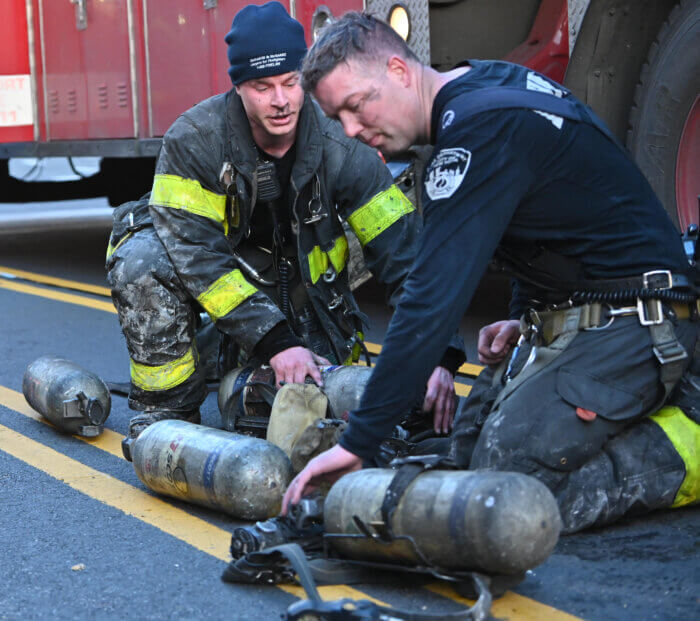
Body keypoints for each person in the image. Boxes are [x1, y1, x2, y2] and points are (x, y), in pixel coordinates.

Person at [282, 12, 700, 533]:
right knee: (464, 450)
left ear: (398, 69)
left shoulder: (476, 131)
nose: (351, 130)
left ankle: (685, 442)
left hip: (642, 322)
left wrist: (357, 443)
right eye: (336, 118)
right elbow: (551, 216)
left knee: (504, 486)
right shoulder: (482, 88)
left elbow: (430, 304)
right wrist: (527, 313)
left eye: (356, 105)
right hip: (596, 312)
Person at [106, 3, 464, 459]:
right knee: (144, 260)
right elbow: (198, 257)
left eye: (291, 83)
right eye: (262, 87)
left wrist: (440, 355)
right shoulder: (194, 140)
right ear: (238, 87)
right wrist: (275, 342)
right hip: (230, 284)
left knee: (306, 402)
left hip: (304, 294)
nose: (280, 100)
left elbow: (408, 255)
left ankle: (245, 363)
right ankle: (166, 414)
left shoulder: (344, 141)